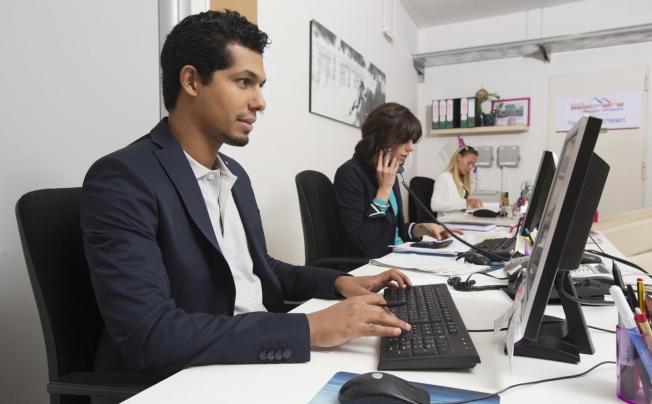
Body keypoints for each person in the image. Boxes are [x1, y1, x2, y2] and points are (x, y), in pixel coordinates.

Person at [80, 10, 413, 378]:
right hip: (191, 376)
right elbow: (149, 334)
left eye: (260, 85)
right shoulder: (125, 178)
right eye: (243, 82)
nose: (259, 102)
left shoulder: (234, 173)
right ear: (191, 81)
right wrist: (310, 328)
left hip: (253, 352)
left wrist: (340, 283)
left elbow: (259, 267)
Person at [334, 102, 456, 260]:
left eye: (412, 140)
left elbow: (392, 230)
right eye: (405, 139)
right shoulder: (350, 174)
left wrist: (422, 228)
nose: (411, 147)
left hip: (397, 255)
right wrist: (383, 191)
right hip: (373, 264)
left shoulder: (390, 171)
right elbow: (361, 244)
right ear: (383, 138)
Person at [430, 145, 483, 215]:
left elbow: (459, 206)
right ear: (459, 157)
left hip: (459, 219)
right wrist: (466, 203)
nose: (470, 167)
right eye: (469, 163)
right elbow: (434, 205)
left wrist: (470, 204)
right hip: (448, 221)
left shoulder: (461, 180)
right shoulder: (444, 177)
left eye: (473, 165)